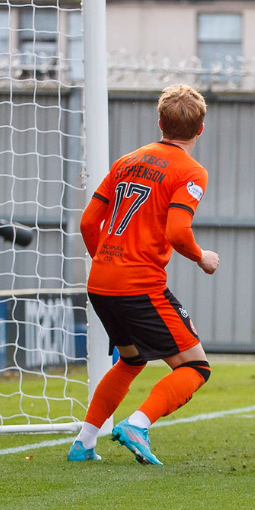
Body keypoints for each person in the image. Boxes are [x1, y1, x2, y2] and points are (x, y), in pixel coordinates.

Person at [68, 84, 220, 465]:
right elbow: (178, 233)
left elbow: (88, 222)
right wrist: (202, 257)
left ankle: (84, 442)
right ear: (201, 129)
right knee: (196, 366)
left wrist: (106, 260)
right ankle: (138, 423)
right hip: (139, 286)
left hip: (101, 282)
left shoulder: (126, 161)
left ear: (160, 122)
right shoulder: (191, 170)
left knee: (131, 360)